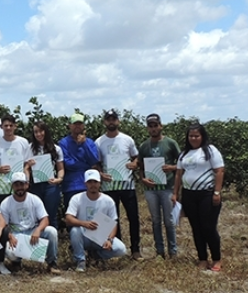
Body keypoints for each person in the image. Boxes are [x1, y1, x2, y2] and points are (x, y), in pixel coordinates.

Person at [172, 123, 225, 272]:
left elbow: (219, 171)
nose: (193, 138)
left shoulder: (210, 151)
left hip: (206, 194)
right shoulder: (184, 154)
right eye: (191, 136)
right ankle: (202, 258)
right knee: (196, 228)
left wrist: (217, 192)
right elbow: (178, 174)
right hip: (189, 195)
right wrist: (175, 193)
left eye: (196, 135)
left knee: (208, 227)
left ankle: (216, 259)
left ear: (202, 136)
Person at [96, 110, 142, 260]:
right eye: (108, 119)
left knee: (133, 217)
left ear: (118, 121)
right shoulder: (99, 142)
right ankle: (118, 248)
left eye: (114, 119)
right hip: (109, 187)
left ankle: (135, 250)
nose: (111, 122)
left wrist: (134, 164)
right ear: (104, 122)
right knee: (112, 219)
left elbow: (136, 157)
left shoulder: (127, 140)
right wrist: (101, 175)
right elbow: (96, 163)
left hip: (127, 185)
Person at [65, 169, 128, 272]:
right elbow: (68, 219)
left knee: (121, 249)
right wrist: (84, 223)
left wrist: (109, 240)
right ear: (85, 183)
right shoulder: (77, 198)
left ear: (100, 183)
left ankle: (96, 255)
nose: (92, 185)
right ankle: (80, 260)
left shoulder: (108, 201)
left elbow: (114, 223)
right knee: (75, 230)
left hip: (101, 236)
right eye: (90, 182)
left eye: (95, 182)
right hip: (83, 235)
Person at [137, 114, 180, 259]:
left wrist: (172, 167)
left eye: (156, 125)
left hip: (167, 187)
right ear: (147, 128)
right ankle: (159, 251)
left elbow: (181, 164)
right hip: (151, 190)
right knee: (155, 220)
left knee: (169, 220)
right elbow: (140, 166)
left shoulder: (170, 143)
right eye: (150, 126)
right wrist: (143, 179)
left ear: (161, 126)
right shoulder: (144, 146)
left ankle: (173, 251)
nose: (153, 128)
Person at [0, 172, 60, 274]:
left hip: (32, 230)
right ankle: (16, 262)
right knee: (10, 253)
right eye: (16, 185)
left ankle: (52, 263)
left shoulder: (34, 199)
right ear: (12, 186)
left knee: (51, 231)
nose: (19, 188)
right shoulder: (6, 202)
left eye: (22, 184)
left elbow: (45, 219)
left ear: (27, 185)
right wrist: (9, 236)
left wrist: (38, 230)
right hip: (16, 233)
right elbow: (3, 224)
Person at [26, 121, 65, 229]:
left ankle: (52, 243)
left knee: (51, 215)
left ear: (46, 131)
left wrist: (59, 179)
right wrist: (28, 169)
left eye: (41, 131)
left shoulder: (56, 149)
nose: (39, 134)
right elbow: (26, 168)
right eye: (36, 132)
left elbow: (60, 168)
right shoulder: (29, 149)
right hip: (35, 185)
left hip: (51, 185)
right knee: (37, 216)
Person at [59, 113, 100, 210]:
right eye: (75, 124)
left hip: (89, 185)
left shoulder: (90, 143)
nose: (77, 126)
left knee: (90, 213)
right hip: (71, 186)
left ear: (83, 125)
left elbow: (94, 161)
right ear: (69, 125)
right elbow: (67, 163)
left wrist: (84, 144)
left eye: (80, 123)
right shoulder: (63, 143)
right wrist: (86, 165)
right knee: (72, 215)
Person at [0, 114, 32, 202]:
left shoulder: (23, 142)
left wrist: (27, 180)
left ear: (15, 126)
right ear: (1, 126)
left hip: (20, 185)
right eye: (6, 125)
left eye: (11, 125)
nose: (8, 128)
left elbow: (27, 164)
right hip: (3, 187)